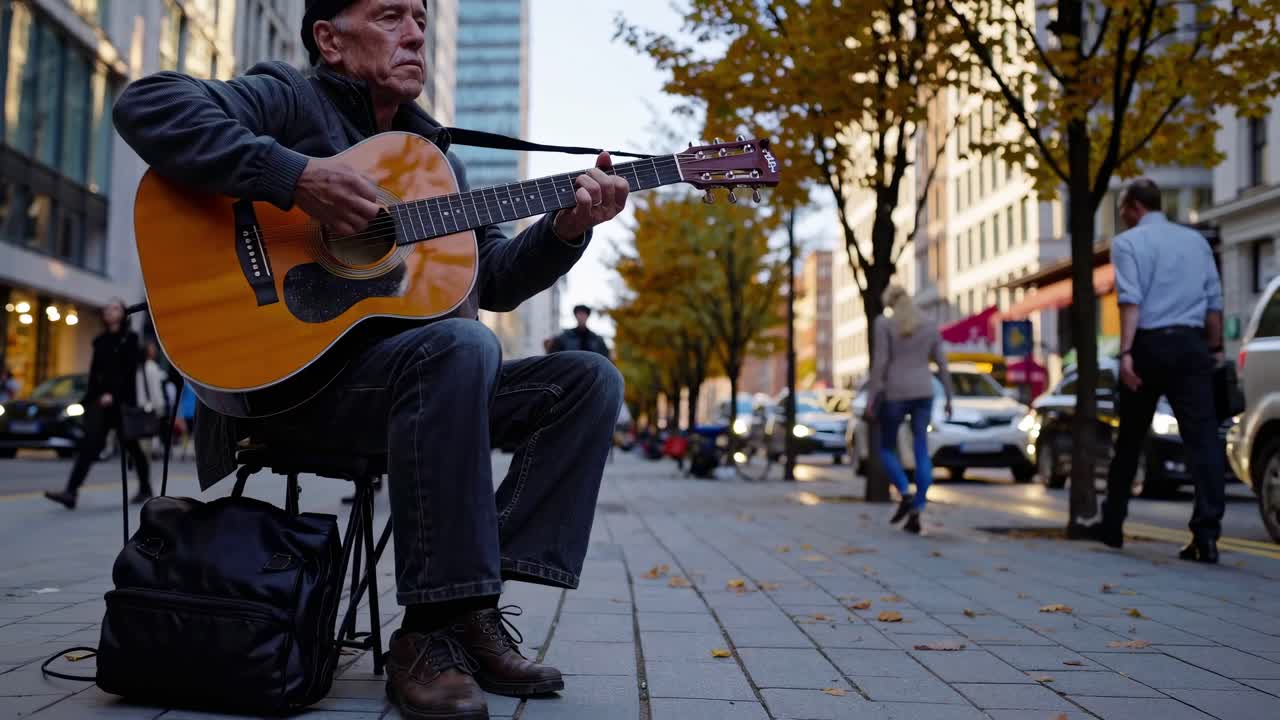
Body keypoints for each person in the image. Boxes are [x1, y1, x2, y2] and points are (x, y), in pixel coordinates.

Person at [109, 1, 627, 718]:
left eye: (420, 16)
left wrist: (566, 230)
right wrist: (292, 178)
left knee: (586, 379)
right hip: (296, 393)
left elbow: (497, 279)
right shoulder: (290, 97)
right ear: (330, 40)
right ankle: (429, 635)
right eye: (390, 15)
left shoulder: (434, 160)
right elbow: (148, 104)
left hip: (424, 392)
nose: (415, 30)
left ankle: (465, 613)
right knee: (461, 343)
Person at [1094, 178, 1226, 563]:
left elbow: (1130, 301)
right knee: (1203, 442)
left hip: (1149, 345)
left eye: (1122, 209)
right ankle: (1207, 535)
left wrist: (1127, 353)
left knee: (1130, 439)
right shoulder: (1196, 241)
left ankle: (1112, 525)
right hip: (1191, 345)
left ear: (1134, 206)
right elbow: (1214, 303)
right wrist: (1215, 348)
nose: (1121, 216)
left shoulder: (1128, 244)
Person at [45, 299, 154, 508]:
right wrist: (92, 397)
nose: (110, 311)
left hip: (120, 404)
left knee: (132, 447)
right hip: (101, 404)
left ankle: (145, 488)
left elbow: (128, 372)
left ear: (123, 313)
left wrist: (113, 394)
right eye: (107, 308)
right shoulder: (100, 341)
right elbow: (95, 374)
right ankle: (71, 492)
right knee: (89, 446)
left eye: (115, 308)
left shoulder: (130, 340)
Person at [865, 284, 953, 534]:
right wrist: (948, 396)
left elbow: (880, 362)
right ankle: (919, 504)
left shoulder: (884, 324)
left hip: (895, 392)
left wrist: (872, 396)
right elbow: (942, 363)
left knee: (886, 447)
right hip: (924, 391)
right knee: (921, 449)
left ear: (889, 303)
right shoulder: (928, 324)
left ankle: (904, 492)